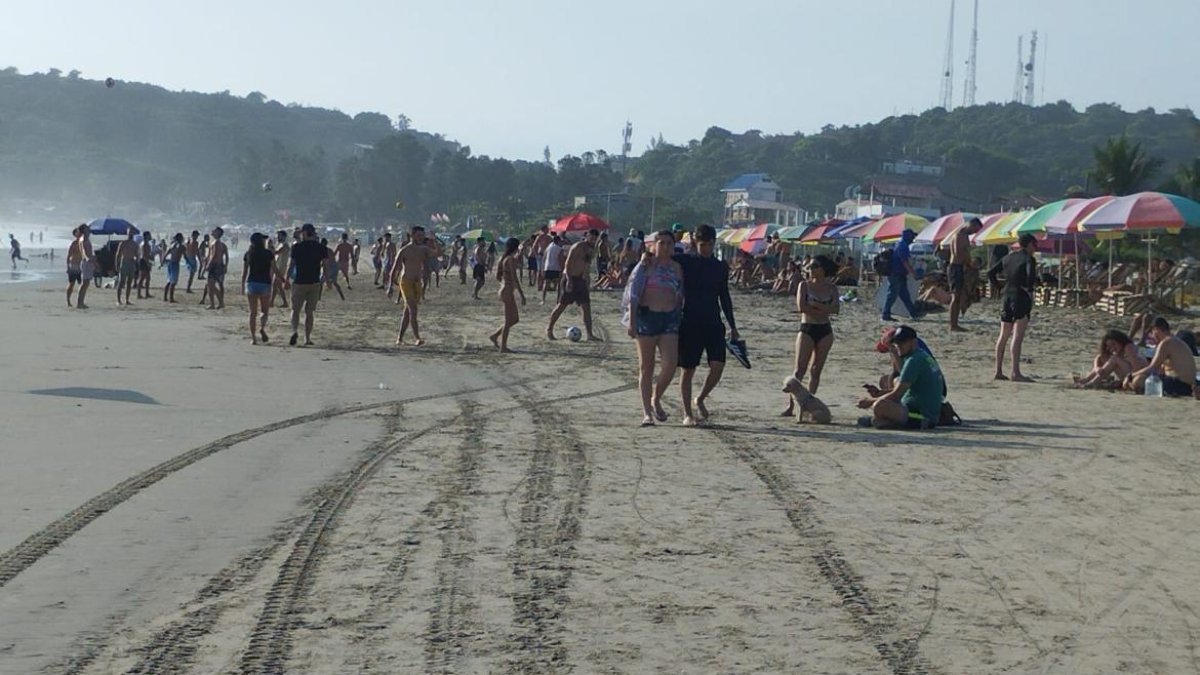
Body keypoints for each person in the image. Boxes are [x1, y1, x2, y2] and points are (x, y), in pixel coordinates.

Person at [674, 224, 740, 427]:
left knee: (718, 365)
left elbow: (724, 296)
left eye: (710, 244)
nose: (706, 248)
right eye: (703, 244)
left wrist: (732, 325)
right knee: (688, 369)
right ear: (696, 242)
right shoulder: (686, 261)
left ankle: (700, 398)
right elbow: (662, 256)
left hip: (713, 320)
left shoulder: (720, 266)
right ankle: (687, 413)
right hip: (690, 320)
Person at [623, 230, 684, 426]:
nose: (665, 247)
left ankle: (656, 397)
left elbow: (680, 294)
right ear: (654, 245)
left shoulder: (677, 268)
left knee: (670, 365)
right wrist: (632, 322)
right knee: (646, 368)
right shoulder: (646, 265)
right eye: (662, 243)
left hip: (669, 319)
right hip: (646, 318)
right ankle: (647, 412)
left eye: (669, 243)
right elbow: (633, 294)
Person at [782, 255, 840, 421]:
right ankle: (791, 405)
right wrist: (823, 309)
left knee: (816, 370)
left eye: (815, 266)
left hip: (825, 330)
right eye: (810, 266)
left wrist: (816, 306)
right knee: (799, 369)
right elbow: (802, 307)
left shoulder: (831, 288)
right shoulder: (804, 285)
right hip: (807, 328)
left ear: (823, 269)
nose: (811, 269)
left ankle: (808, 403)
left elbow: (836, 309)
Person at [857, 325, 943, 429]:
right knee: (895, 380)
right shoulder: (920, 355)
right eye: (896, 343)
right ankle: (883, 421)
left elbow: (896, 395)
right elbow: (902, 378)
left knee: (879, 406)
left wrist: (870, 402)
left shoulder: (913, 361)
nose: (898, 345)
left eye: (902, 342)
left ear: (913, 342)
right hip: (923, 409)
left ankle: (882, 421)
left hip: (921, 416)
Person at [994, 234, 1038, 382]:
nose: (1035, 249)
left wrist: (998, 287)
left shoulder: (1008, 257)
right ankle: (1015, 372)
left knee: (1003, 335)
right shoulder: (1028, 259)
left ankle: (998, 370)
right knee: (1017, 336)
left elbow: (990, 273)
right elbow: (1030, 274)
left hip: (1007, 296)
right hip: (1021, 296)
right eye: (1035, 245)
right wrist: (1030, 289)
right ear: (1030, 244)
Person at [547, 229, 600, 341]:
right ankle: (549, 329)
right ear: (587, 236)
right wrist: (569, 280)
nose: (593, 240)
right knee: (562, 305)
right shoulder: (577, 247)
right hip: (569, 278)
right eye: (592, 237)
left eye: (595, 238)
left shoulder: (592, 250)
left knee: (586, 307)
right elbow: (567, 263)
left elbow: (586, 266)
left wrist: (587, 282)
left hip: (581, 280)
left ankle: (590, 334)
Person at [1124, 317, 1197, 397]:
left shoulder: (1166, 343)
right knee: (1142, 378)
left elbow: (1152, 368)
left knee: (1138, 380)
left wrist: (1130, 376)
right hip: (1187, 384)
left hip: (1178, 384)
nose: (1152, 336)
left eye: (1152, 332)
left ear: (1156, 329)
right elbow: (1160, 370)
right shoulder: (1175, 340)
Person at [289, 223, 328, 346]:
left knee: (295, 310)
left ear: (305, 233)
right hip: (314, 282)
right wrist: (326, 280)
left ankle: (295, 331)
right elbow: (326, 267)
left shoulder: (297, 247)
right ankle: (307, 338)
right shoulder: (321, 247)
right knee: (309, 312)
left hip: (299, 282)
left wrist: (286, 279)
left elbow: (291, 266)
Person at [395, 226, 434, 346]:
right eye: (418, 235)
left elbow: (438, 253)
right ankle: (417, 338)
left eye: (422, 235)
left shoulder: (423, 249)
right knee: (413, 310)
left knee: (408, 312)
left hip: (417, 283)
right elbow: (395, 268)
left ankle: (399, 338)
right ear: (412, 236)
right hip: (406, 281)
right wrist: (389, 286)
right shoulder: (404, 250)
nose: (421, 237)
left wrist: (434, 240)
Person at [1074, 329, 1148, 390]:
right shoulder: (1118, 351)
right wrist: (1096, 368)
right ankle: (1087, 379)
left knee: (1114, 359)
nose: (1113, 348)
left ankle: (1093, 382)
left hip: (1139, 375)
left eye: (1114, 344)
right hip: (1129, 373)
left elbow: (1136, 368)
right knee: (1109, 359)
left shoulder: (1129, 347)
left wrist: (1125, 379)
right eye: (1109, 346)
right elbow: (1099, 357)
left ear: (1120, 341)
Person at [489, 237, 527, 352]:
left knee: (514, 319)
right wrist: (522, 294)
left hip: (506, 290)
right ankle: (503, 347)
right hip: (507, 291)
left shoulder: (504, 258)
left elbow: (498, 276)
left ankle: (495, 336)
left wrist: (504, 284)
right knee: (508, 320)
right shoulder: (510, 259)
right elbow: (515, 277)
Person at [948, 218, 983, 331]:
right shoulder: (960, 235)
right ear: (971, 225)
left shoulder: (961, 235)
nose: (974, 232)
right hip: (956, 267)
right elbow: (960, 253)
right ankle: (953, 325)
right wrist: (969, 264)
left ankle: (955, 323)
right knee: (956, 296)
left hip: (959, 267)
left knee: (958, 296)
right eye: (974, 229)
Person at [241, 233, 275, 345]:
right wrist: (283, 279)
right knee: (264, 311)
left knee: (252, 313)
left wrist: (242, 285)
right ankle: (262, 328)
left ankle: (253, 338)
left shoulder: (249, 254)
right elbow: (274, 268)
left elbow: (245, 271)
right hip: (265, 283)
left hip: (252, 283)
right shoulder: (268, 253)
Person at [882, 229, 921, 321]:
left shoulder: (899, 244)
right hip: (896, 274)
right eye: (912, 236)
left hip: (898, 274)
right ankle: (885, 314)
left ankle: (913, 313)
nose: (913, 239)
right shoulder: (903, 246)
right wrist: (914, 273)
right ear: (908, 236)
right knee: (892, 295)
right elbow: (905, 262)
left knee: (904, 295)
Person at [204, 227, 229, 310]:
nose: (212, 231)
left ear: (218, 233)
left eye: (214, 230)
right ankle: (215, 303)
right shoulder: (214, 242)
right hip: (216, 265)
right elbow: (210, 255)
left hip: (215, 265)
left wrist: (209, 264)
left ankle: (218, 303)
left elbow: (214, 255)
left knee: (210, 284)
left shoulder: (217, 243)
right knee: (210, 285)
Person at [115, 228, 139, 305]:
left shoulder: (135, 244)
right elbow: (118, 254)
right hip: (124, 262)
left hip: (131, 262)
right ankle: (118, 300)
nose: (131, 235)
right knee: (121, 282)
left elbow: (137, 254)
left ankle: (127, 299)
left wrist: (137, 262)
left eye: (132, 233)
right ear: (127, 234)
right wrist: (117, 264)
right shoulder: (123, 243)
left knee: (129, 282)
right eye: (129, 233)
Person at [74, 225, 95, 309]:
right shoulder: (83, 239)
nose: (89, 231)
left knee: (86, 283)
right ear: (83, 231)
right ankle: (79, 303)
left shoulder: (85, 239)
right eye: (87, 229)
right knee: (84, 283)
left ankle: (81, 302)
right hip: (86, 262)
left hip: (88, 262)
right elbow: (84, 251)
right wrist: (88, 258)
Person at [541, 234, 564, 304]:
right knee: (559, 285)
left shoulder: (548, 247)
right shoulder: (560, 249)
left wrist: (543, 267)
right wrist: (562, 269)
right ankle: (558, 300)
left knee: (546, 284)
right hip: (556, 268)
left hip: (547, 267)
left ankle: (543, 300)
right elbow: (561, 259)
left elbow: (544, 257)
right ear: (558, 241)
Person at [271, 230, 291, 309]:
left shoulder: (285, 245)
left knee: (276, 284)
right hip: (278, 266)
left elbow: (277, 252)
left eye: (279, 236)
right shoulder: (280, 244)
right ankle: (277, 302)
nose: (278, 237)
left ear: (283, 236)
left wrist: (270, 249)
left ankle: (273, 302)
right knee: (277, 285)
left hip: (281, 267)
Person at [163, 233, 185, 303]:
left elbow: (166, 254)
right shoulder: (182, 246)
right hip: (175, 264)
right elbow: (185, 256)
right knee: (173, 282)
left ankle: (165, 297)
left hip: (170, 263)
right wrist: (189, 263)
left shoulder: (172, 245)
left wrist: (162, 262)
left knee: (169, 281)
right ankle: (171, 298)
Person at [65, 226, 83, 307]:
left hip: (81, 266)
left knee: (81, 284)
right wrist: (68, 267)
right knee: (71, 284)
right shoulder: (74, 244)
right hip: (74, 265)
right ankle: (68, 301)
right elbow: (69, 256)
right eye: (78, 233)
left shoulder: (83, 243)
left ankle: (80, 301)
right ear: (75, 234)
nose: (79, 234)